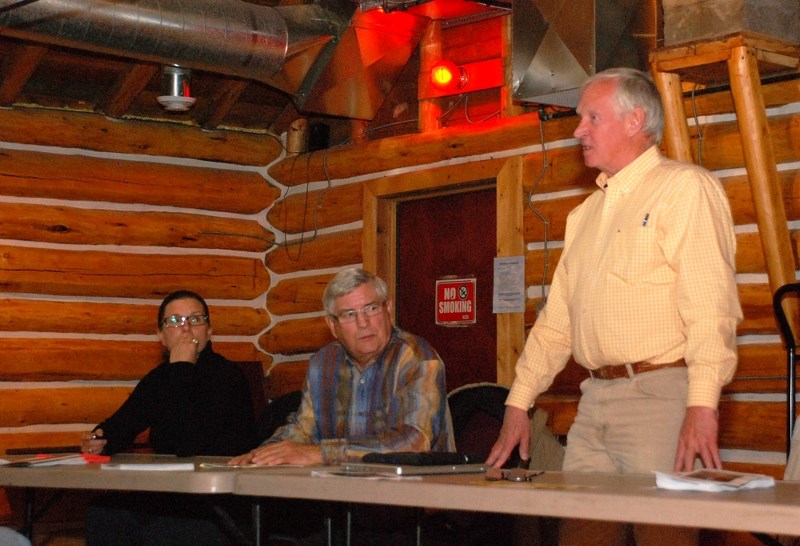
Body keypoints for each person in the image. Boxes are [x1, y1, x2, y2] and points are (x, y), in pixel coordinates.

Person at [486, 67, 742, 546]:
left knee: (663, 538)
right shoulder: (584, 215)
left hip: (661, 399)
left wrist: (702, 403)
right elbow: (556, 322)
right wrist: (519, 402)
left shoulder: (685, 189)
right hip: (594, 402)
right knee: (581, 535)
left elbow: (711, 307)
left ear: (634, 120)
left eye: (591, 117)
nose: (578, 129)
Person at [229, 267, 454, 544]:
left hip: (414, 517)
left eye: (371, 308)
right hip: (344, 512)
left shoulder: (417, 357)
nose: (364, 323)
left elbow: (413, 442)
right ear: (333, 326)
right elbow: (304, 429)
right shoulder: (323, 362)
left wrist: (322, 454)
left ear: (389, 310)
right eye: (350, 314)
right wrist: (263, 454)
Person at [81, 289, 258, 546]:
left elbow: (190, 444)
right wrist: (100, 438)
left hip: (218, 499)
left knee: (165, 532)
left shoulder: (228, 376)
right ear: (161, 336)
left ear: (209, 331)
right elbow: (122, 425)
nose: (186, 329)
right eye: (174, 321)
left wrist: (182, 369)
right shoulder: (159, 379)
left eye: (195, 319)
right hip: (168, 492)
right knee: (104, 512)